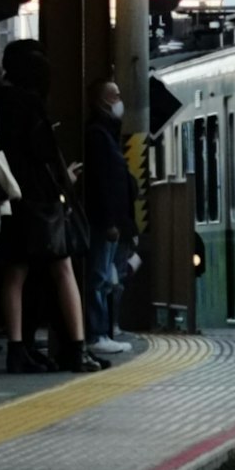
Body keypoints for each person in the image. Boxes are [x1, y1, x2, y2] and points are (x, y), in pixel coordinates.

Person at [0, 39, 96, 374]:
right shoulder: (31, 103)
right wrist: (66, 181)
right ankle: (76, 348)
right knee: (62, 268)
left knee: (14, 272)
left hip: (10, 197)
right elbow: (44, 152)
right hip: (41, 200)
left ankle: (17, 349)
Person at [79, 73, 143, 361]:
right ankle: (97, 334)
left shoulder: (105, 133)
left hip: (110, 221)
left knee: (105, 277)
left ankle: (103, 332)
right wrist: (111, 222)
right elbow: (103, 184)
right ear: (104, 101)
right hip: (105, 222)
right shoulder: (98, 135)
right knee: (99, 277)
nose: (120, 102)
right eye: (115, 96)